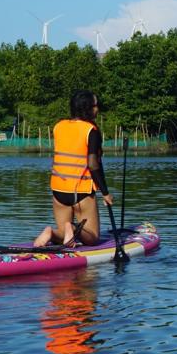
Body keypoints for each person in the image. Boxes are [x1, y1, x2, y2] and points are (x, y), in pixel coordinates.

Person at [34, 90, 114, 247]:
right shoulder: (91, 130)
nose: (98, 109)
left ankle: (51, 232)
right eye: (96, 105)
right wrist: (105, 193)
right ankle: (73, 228)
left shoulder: (59, 127)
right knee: (93, 237)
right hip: (81, 193)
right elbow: (93, 164)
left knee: (64, 234)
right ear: (88, 108)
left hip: (58, 190)